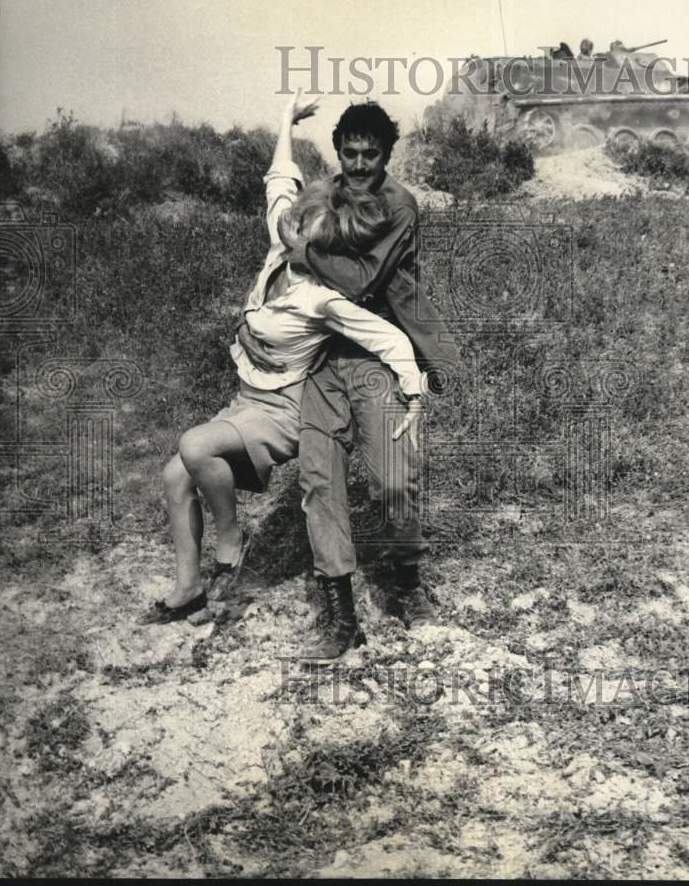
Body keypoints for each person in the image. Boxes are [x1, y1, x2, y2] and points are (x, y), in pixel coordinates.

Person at [140, 91, 427, 626]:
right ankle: (189, 587)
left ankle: (230, 544)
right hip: (249, 394)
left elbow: (387, 337)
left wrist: (412, 391)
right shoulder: (282, 237)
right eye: (294, 224)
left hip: (284, 404)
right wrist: (284, 122)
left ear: (322, 246)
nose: (293, 232)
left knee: (194, 444)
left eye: (308, 235)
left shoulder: (320, 296)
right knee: (175, 475)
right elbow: (280, 179)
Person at [236, 101, 461, 660]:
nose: (359, 163)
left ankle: (406, 583)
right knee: (319, 482)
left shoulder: (400, 206)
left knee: (393, 477)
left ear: (388, 153)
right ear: (338, 149)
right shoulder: (323, 194)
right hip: (321, 360)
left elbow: (364, 283)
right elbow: (280, 199)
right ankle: (340, 615)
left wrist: (304, 252)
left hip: (379, 354)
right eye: (350, 152)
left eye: (371, 153)